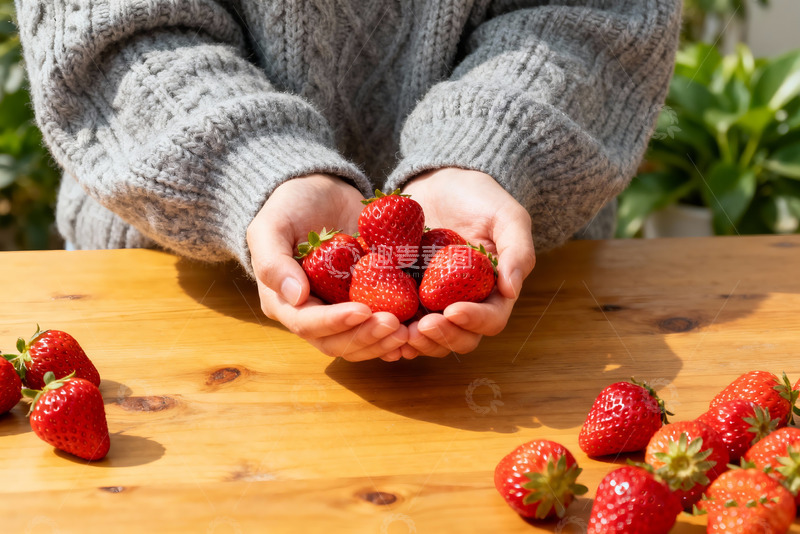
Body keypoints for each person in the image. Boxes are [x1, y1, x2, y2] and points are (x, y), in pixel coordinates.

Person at [16, 0, 681, 361]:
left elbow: (598, 17)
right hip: (166, 308)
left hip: (533, 310)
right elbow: (109, 30)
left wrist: (486, 150)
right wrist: (253, 166)